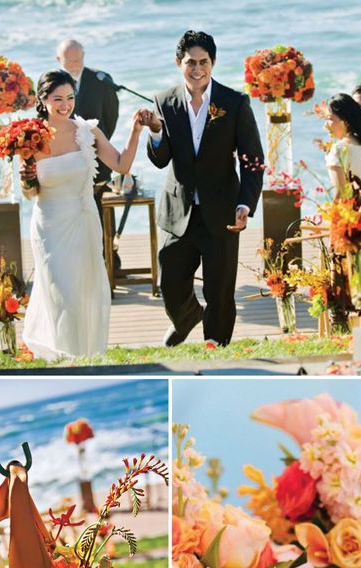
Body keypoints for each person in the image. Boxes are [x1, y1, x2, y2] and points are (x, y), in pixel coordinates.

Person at [141, 29, 264, 348]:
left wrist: (245, 204)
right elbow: (160, 159)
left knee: (220, 288)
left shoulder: (234, 102)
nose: (197, 69)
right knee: (169, 281)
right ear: (178, 62)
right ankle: (186, 317)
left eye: (203, 62)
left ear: (213, 62)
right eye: (190, 62)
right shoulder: (164, 101)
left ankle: (216, 344)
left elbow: (252, 159)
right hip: (178, 210)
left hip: (222, 208)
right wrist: (155, 131)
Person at [19, 69, 144, 361]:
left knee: (86, 290)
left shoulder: (87, 131)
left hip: (84, 219)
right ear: (43, 99)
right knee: (61, 292)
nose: (65, 105)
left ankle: (85, 355)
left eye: (70, 98)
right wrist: (27, 179)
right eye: (57, 98)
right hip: (50, 225)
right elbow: (29, 192)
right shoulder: (30, 137)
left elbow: (122, 164)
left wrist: (136, 130)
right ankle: (64, 356)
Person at [56, 40, 119, 209]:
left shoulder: (102, 80)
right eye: (70, 61)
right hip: (64, 163)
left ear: (84, 56)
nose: (75, 65)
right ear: (58, 59)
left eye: (78, 60)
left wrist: (98, 145)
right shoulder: (52, 84)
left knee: (100, 217)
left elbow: (111, 118)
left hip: (97, 160)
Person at [324, 93, 361, 197]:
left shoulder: (338, 150)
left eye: (330, 119)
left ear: (346, 122)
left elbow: (341, 197)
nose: (325, 125)